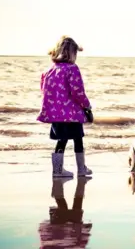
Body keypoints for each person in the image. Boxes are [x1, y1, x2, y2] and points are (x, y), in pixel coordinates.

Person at [37, 35, 93, 177]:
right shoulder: (72, 69)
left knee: (62, 140)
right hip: (72, 114)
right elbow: (78, 92)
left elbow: (44, 91)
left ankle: (57, 170)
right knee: (78, 139)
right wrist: (87, 107)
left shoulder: (48, 71)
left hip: (56, 114)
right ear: (71, 53)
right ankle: (81, 169)